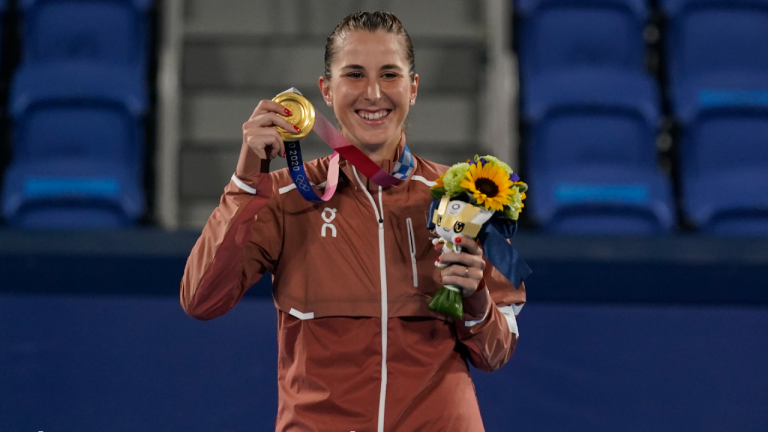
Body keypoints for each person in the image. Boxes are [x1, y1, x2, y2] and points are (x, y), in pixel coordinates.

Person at [181, 11, 525, 432]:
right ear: (326, 90)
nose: (374, 93)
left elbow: (498, 352)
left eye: (390, 74)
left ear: (413, 88)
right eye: (355, 74)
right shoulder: (283, 197)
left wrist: (475, 301)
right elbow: (200, 300)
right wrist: (244, 182)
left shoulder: (470, 196)